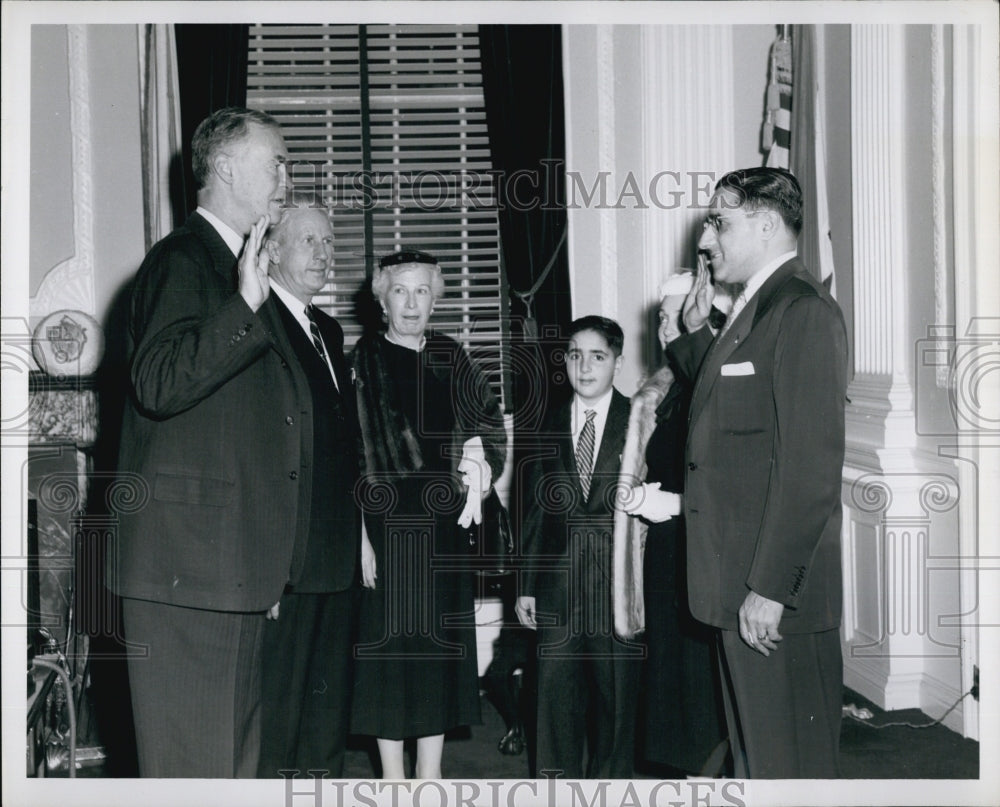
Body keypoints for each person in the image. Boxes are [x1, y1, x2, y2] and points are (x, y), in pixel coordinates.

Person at [113, 107, 300, 776]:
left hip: (225, 567)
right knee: (195, 768)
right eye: (274, 161)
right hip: (186, 571)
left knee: (230, 765)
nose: (287, 175)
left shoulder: (235, 264)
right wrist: (243, 307)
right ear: (223, 167)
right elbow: (158, 383)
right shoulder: (183, 260)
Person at [668, 167, 848, 778]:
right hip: (737, 581)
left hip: (771, 593)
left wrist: (771, 587)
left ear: (767, 224)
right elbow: (734, 420)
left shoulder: (801, 310)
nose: (705, 240)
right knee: (757, 762)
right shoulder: (757, 306)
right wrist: (695, 337)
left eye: (719, 222)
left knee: (788, 766)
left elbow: (810, 467)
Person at [350, 250, 507, 779]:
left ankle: (430, 773)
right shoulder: (361, 362)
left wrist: (480, 459)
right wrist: (360, 540)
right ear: (381, 298)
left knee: (438, 652)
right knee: (390, 654)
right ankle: (393, 775)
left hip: (445, 523)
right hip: (385, 526)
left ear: (435, 299)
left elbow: (489, 428)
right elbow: (345, 459)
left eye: (422, 291)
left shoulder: (452, 357)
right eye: (400, 290)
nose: (411, 302)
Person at [254, 207, 363, 778]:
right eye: (306, 241)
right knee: (279, 710)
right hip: (287, 557)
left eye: (328, 241)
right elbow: (255, 453)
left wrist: (361, 538)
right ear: (270, 251)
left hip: (337, 553)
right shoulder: (256, 322)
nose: (323, 253)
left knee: (327, 709)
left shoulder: (329, 328)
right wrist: (265, 563)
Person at [517, 316, 641, 779]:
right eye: (574, 355)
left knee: (617, 702)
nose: (584, 367)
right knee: (555, 700)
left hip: (619, 588)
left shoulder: (640, 421)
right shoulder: (545, 423)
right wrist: (525, 586)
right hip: (558, 586)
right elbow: (531, 510)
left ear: (618, 362)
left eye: (597, 356)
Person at [613, 271, 727, 776]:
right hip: (662, 546)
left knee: (698, 678)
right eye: (661, 317)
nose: (663, 326)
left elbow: (730, 479)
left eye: (676, 316)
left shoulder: (719, 388)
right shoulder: (664, 389)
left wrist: (678, 505)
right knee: (667, 671)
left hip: (702, 544)